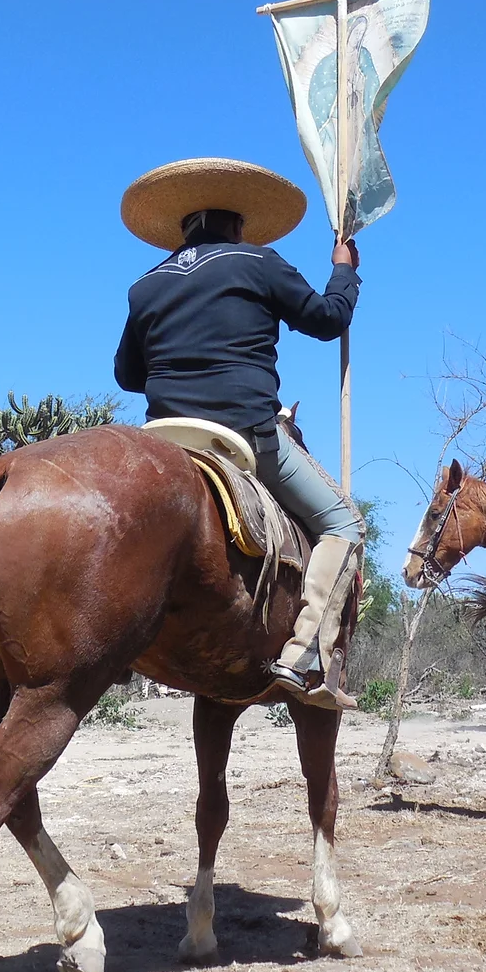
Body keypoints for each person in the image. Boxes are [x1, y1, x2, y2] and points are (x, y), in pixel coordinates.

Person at [115, 156, 364, 709]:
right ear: (238, 224)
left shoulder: (145, 285)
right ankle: (304, 654)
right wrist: (344, 270)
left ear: (181, 228)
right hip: (246, 435)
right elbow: (327, 319)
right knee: (344, 523)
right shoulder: (257, 263)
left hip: (164, 436)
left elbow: (127, 376)